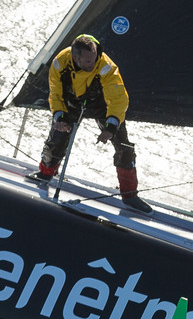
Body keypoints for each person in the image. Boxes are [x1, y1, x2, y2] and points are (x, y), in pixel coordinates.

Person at [29, 34, 152, 213]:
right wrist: (59, 117)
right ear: (75, 58)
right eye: (87, 61)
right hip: (72, 102)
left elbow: (118, 98)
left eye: (94, 59)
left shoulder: (105, 66)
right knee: (57, 138)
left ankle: (130, 196)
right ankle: (45, 174)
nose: (92, 64)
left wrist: (111, 127)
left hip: (103, 105)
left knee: (124, 147)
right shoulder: (60, 63)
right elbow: (55, 94)